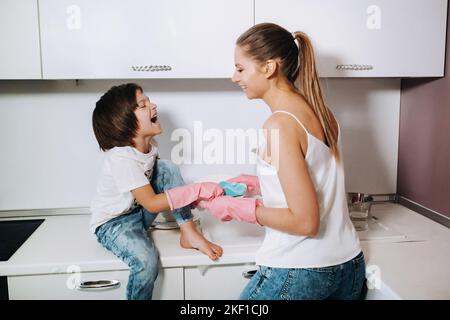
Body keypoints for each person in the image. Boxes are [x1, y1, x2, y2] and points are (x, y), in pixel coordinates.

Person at [197, 23, 366, 300]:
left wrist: (240, 208)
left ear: (269, 67)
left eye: (240, 68)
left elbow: (305, 222)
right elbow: (314, 177)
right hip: (348, 266)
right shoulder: (323, 112)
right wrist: (257, 183)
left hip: (301, 270)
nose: (234, 77)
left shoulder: (278, 125)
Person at [90, 83, 224, 300]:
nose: (153, 106)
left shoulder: (149, 149)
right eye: (143, 105)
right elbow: (152, 203)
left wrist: (193, 194)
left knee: (167, 168)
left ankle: (188, 232)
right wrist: (195, 191)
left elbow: (163, 183)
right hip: (114, 224)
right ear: (124, 122)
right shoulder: (122, 158)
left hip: (137, 214)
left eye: (148, 101)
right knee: (145, 262)